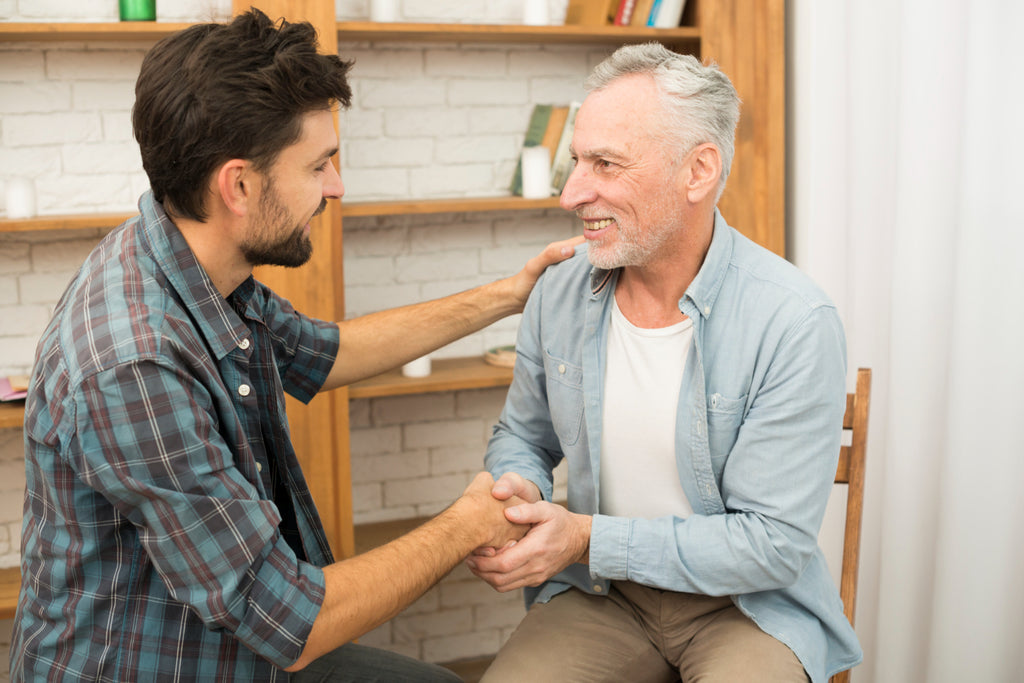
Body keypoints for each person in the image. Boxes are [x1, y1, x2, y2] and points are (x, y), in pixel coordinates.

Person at [10, 9, 581, 682]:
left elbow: (325, 351)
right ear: (240, 185)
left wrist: (508, 295)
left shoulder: (192, 258)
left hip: (240, 647)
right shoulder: (136, 361)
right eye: (319, 165)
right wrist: (468, 522)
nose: (336, 186)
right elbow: (290, 618)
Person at [465, 43, 862, 683]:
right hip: (604, 596)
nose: (571, 193)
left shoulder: (793, 321)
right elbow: (523, 436)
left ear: (698, 171)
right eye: (575, 160)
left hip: (745, 608)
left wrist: (587, 537)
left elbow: (772, 546)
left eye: (605, 163)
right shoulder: (559, 291)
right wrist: (517, 495)